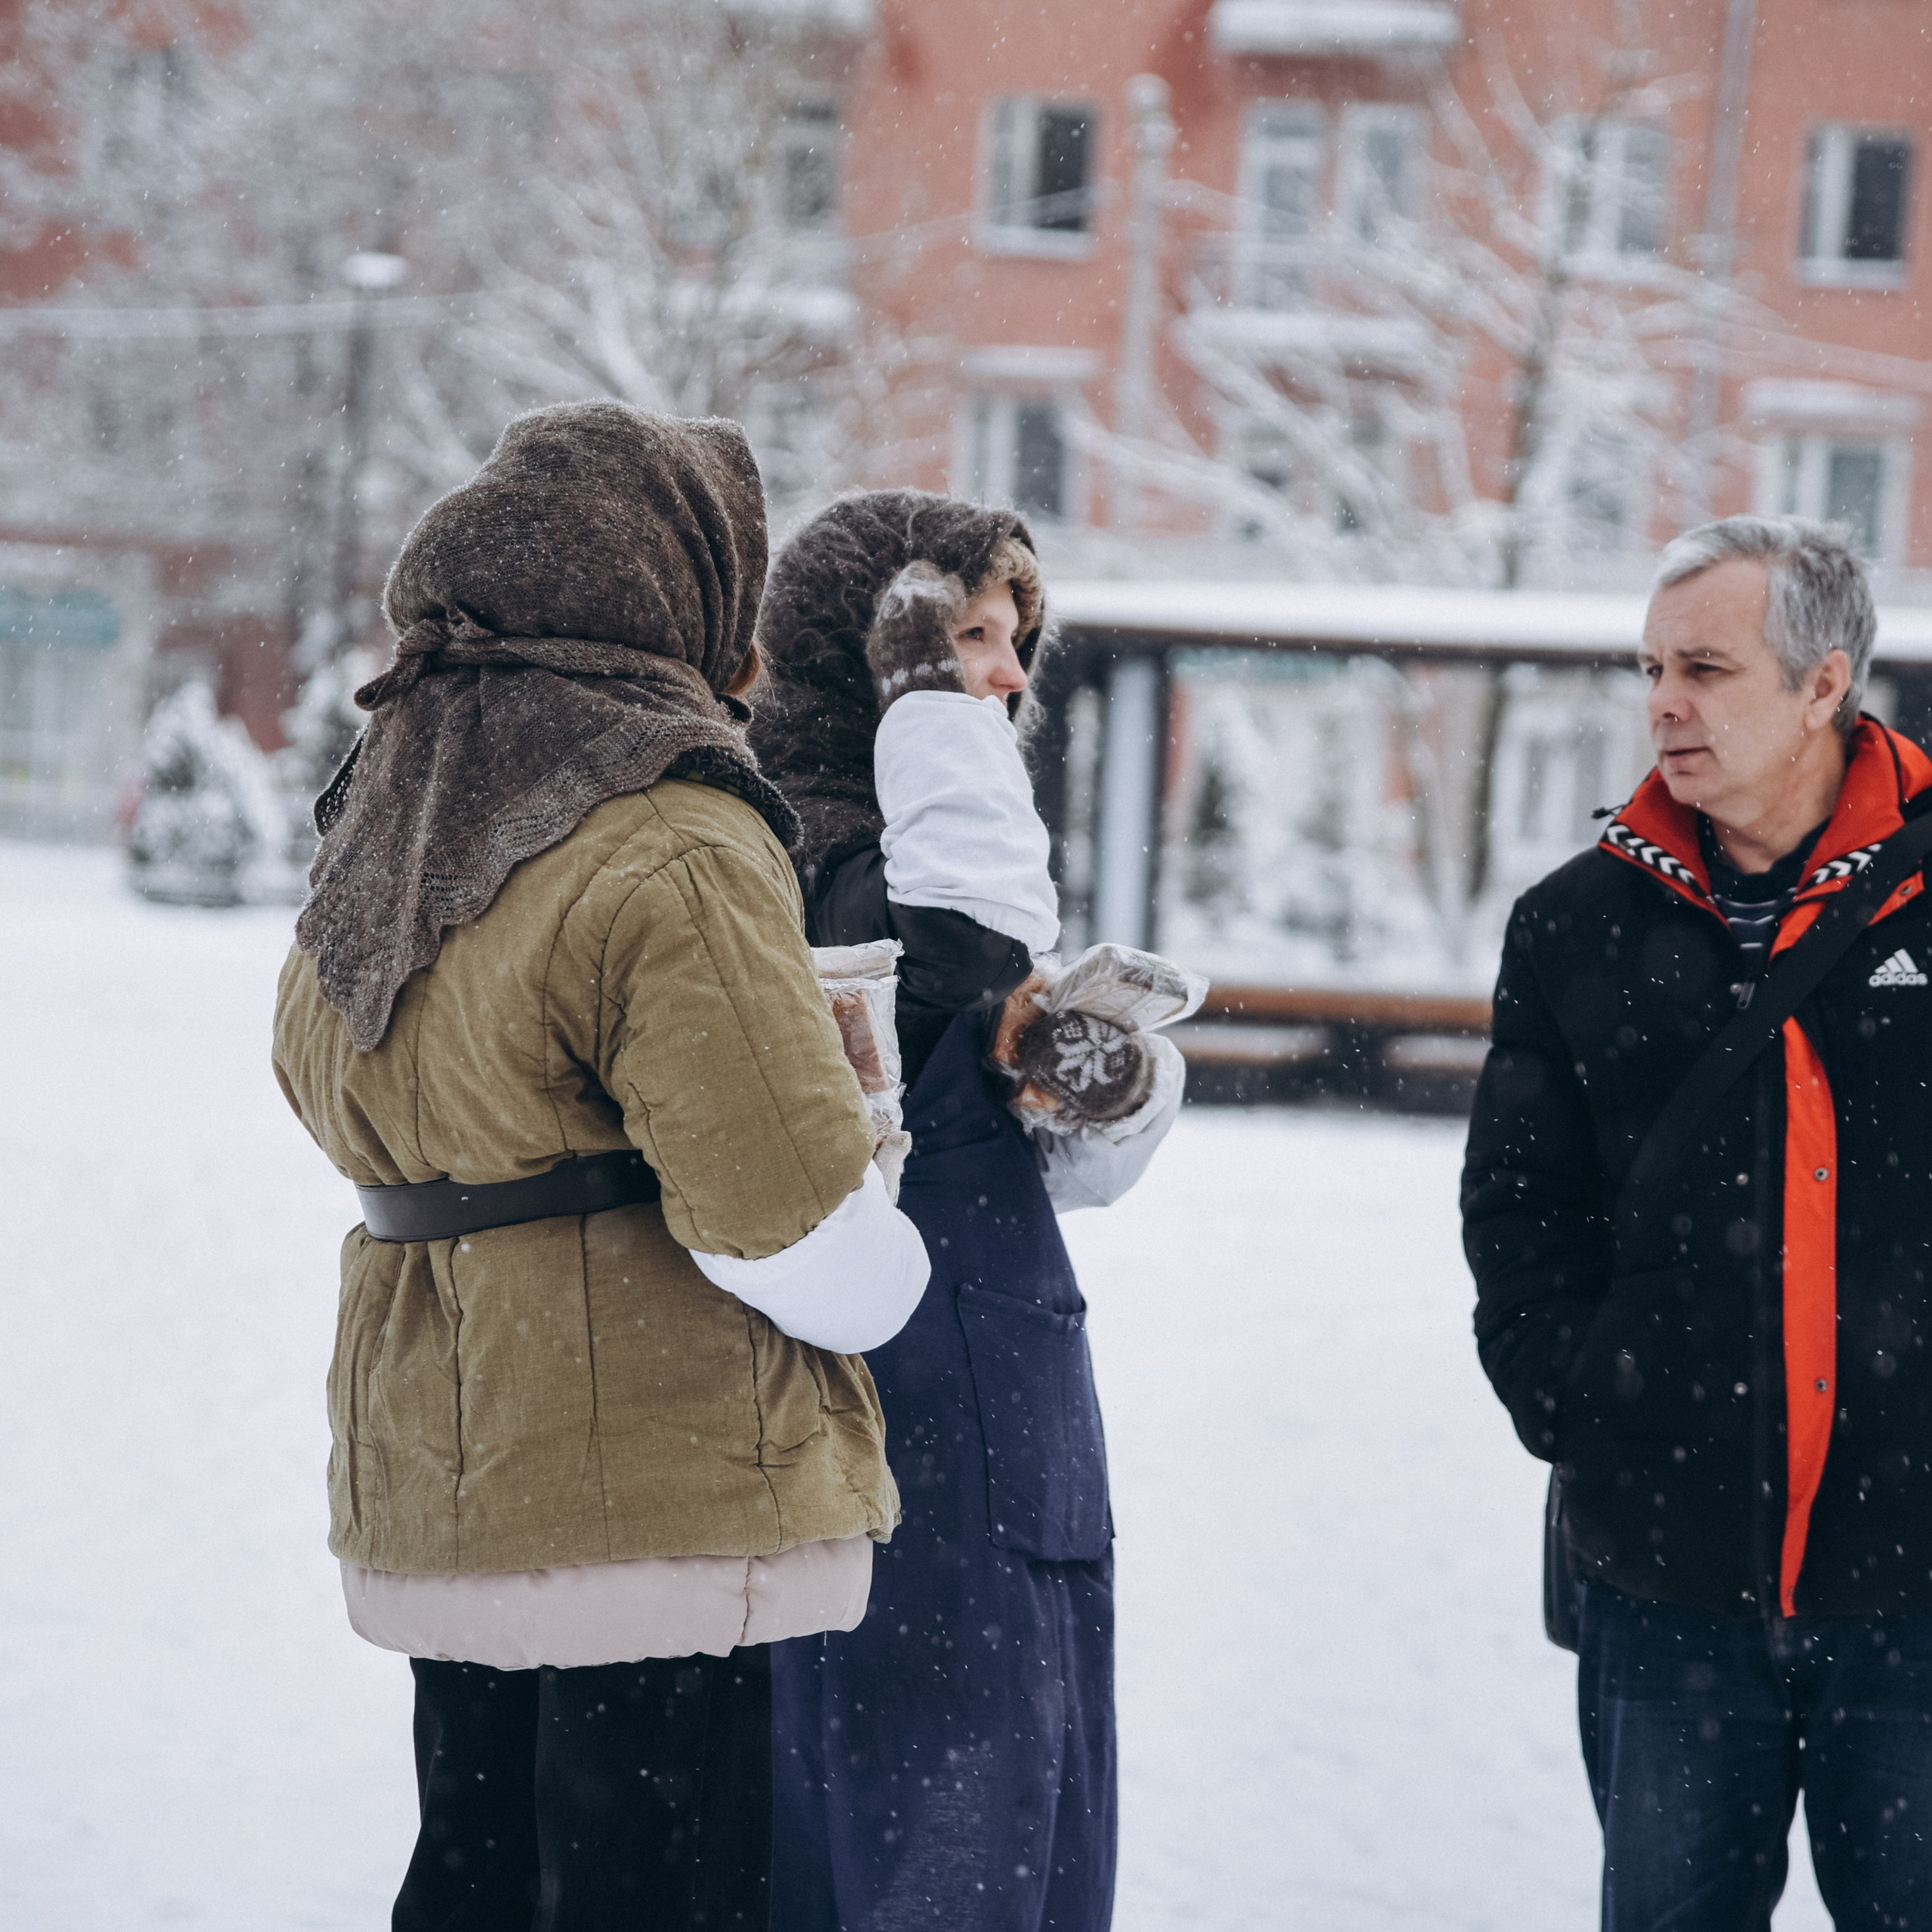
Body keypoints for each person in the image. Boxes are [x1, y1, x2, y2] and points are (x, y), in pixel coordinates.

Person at [271, 402, 931, 1931]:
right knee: (659, 1884)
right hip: (653, 1482)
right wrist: (879, 1221)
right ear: (685, 583)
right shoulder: (670, 830)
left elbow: (325, 1081)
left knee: (478, 1874)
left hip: (446, 1445)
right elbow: (791, 1221)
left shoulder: (388, 806)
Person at [1462, 515, 1932, 1930]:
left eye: (1708, 668)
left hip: (1916, 1586)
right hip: (1666, 1579)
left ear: (1822, 684)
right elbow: (1518, 1212)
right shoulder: (1575, 924)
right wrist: (1583, 1404)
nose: (1665, 702)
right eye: (1653, 667)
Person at [749, 491, 1186, 1932]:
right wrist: (932, 704)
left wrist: (1107, 1087)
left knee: (1009, 1827)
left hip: (1000, 1412)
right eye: (970, 638)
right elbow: (964, 940)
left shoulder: (920, 831)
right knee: (928, 1839)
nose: (1005, 676)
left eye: (1014, 644)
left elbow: (1023, 1119)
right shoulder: (794, 846)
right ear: (868, 649)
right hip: (899, 1425)